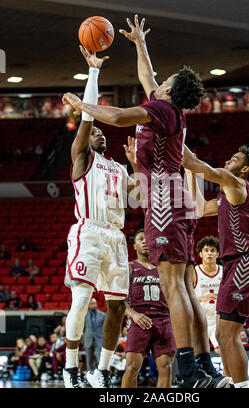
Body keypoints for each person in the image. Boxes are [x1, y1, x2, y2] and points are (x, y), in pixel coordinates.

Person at [63, 14, 214, 389]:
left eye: (166, 82)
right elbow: (148, 79)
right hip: (172, 197)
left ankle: (190, 370)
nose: (158, 82)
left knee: (173, 286)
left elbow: (113, 116)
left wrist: (82, 107)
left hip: (164, 199)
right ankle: (204, 363)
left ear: (170, 93)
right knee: (182, 285)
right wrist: (140, 44)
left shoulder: (162, 110)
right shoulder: (171, 110)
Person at [62, 46, 137, 388]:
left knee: (118, 309)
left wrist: (138, 165)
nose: (99, 133)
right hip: (88, 233)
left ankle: (102, 371)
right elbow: (88, 117)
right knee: (81, 297)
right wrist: (93, 72)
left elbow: (141, 194)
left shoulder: (119, 168)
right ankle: (71, 369)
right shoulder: (82, 157)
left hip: (116, 237)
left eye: (101, 132)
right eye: (94, 132)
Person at [183, 144, 249, 388]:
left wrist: (178, 136)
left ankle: (242, 387)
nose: (229, 160)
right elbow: (196, 209)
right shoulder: (225, 195)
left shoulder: (237, 183)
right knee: (221, 336)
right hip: (234, 264)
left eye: (235, 159)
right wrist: (190, 172)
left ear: (244, 169)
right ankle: (232, 384)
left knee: (229, 336)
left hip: (245, 262)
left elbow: (199, 166)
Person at [121, 229, 176, 388]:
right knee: (132, 367)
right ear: (135, 246)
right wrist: (133, 315)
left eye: (147, 238)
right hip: (139, 318)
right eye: (140, 239)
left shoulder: (164, 268)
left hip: (163, 319)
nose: (144, 241)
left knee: (166, 367)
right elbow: (118, 300)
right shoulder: (129, 267)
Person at [193, 236, 223, 355]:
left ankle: (228, 373)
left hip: (217, 319)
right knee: (198, 351)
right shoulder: (194, 271)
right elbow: (184, 297)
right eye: (206, 250)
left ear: (218, 254)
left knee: (221, 349)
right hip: (199, 318)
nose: (209, 253)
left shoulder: (223, 271)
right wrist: (201, 298)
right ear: (200, 254)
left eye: (212, 250)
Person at [83, 298, 106, 371]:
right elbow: (83, 328)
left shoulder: (103, 315)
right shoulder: (84, 315)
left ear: (96, 304)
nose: (92, 305)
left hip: (99, 339)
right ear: (89, 305)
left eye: (94, 303)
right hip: (88, 339)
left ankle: (100, 373)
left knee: (100, 358)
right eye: (91, 304)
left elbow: (105, 328)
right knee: (89, 359)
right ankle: (89, 374)